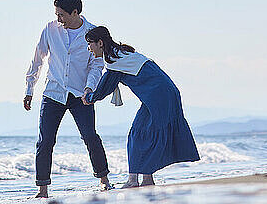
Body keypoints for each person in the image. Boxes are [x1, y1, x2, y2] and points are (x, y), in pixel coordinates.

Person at [83, 26, 200, 188]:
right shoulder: (120, 53)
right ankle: (146, 179)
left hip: (159, 95)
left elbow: (104, 89)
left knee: (138, 134)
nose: (89, 48)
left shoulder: (114, 60)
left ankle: (133, 181)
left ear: (100, 43)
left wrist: (89, 97)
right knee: (141, 133)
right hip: (164, 93)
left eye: (90, 44)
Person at [24, 0, 112, 198]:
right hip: (53, 92)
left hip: (81, 94)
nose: (58, 19)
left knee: (90, 136)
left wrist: (90, 88)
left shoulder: (92, 32)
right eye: (56, 14)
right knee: (45, 140)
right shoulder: (50, 29)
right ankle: (42, 190)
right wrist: (29, 89)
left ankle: (104, 179)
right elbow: (37, 59)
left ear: (75, 12)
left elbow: (97, 65)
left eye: (62, 15)